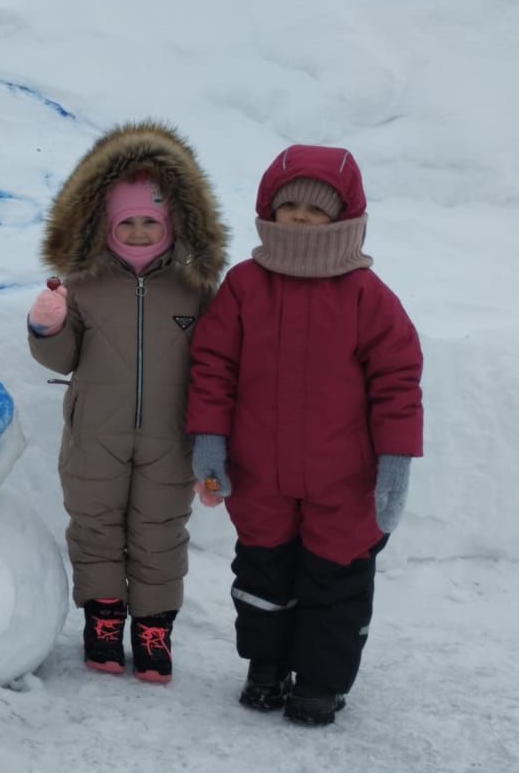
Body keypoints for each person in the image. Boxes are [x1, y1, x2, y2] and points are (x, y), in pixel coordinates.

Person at [187, 145, 422, 726]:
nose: (300, 216)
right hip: (260, 473)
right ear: (269, 209)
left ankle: (320, 681)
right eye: (288, 204)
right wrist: (210, 441)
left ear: (344, 216)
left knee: (335, 582)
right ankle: (266, 667)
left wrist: (395, 461)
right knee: (263, 577)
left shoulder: (368, 297)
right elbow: (213, 368)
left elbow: (397, 382)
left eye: (316, 208)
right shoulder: (244, 285)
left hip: (344, 479)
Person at [26, 122, 227, 682]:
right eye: (127, 222)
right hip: (95, 437)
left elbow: (215, 365)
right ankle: (104, 620)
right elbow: (61, 360)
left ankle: (154, 628)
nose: (138, 232)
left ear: (173, 225)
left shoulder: (195, 290)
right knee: (95, 527)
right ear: (105, 225)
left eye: (150, 222)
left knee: (160, 530)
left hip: (171, 438)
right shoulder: (83, 285)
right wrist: (48, 329)